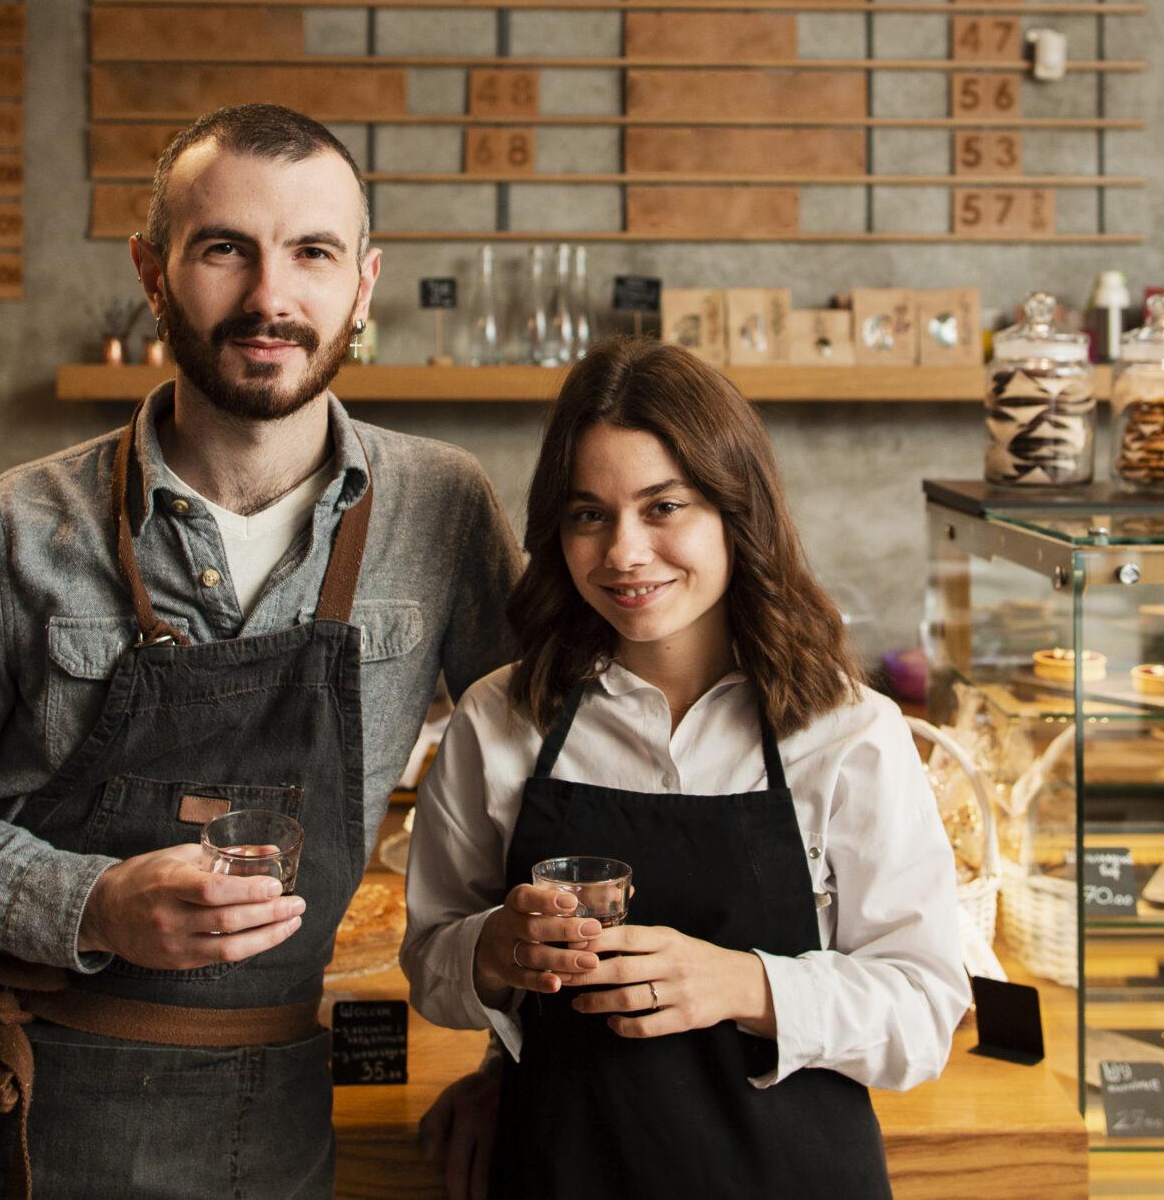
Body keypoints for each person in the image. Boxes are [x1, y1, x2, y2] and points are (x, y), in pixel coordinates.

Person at [0, 104, 518, 1199]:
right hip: (5, 1111)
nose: (269, 298)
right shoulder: (18, 524)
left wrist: (508, 1061)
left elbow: (546, 809)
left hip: (264, 1121)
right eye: (223, 248)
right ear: (152, 271)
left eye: (312, 253)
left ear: (364, 284)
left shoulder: (443, 511)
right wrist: (90, 904)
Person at [402, 336, 969, 1199]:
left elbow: (927, 1009)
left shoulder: (850, 733)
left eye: (664, 506)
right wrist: (493, 950)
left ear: (736, 511)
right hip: (560, 1174)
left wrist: (746, 981)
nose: (625, 552)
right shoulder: (500, 720)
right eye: (590, 513)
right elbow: (430, 960)